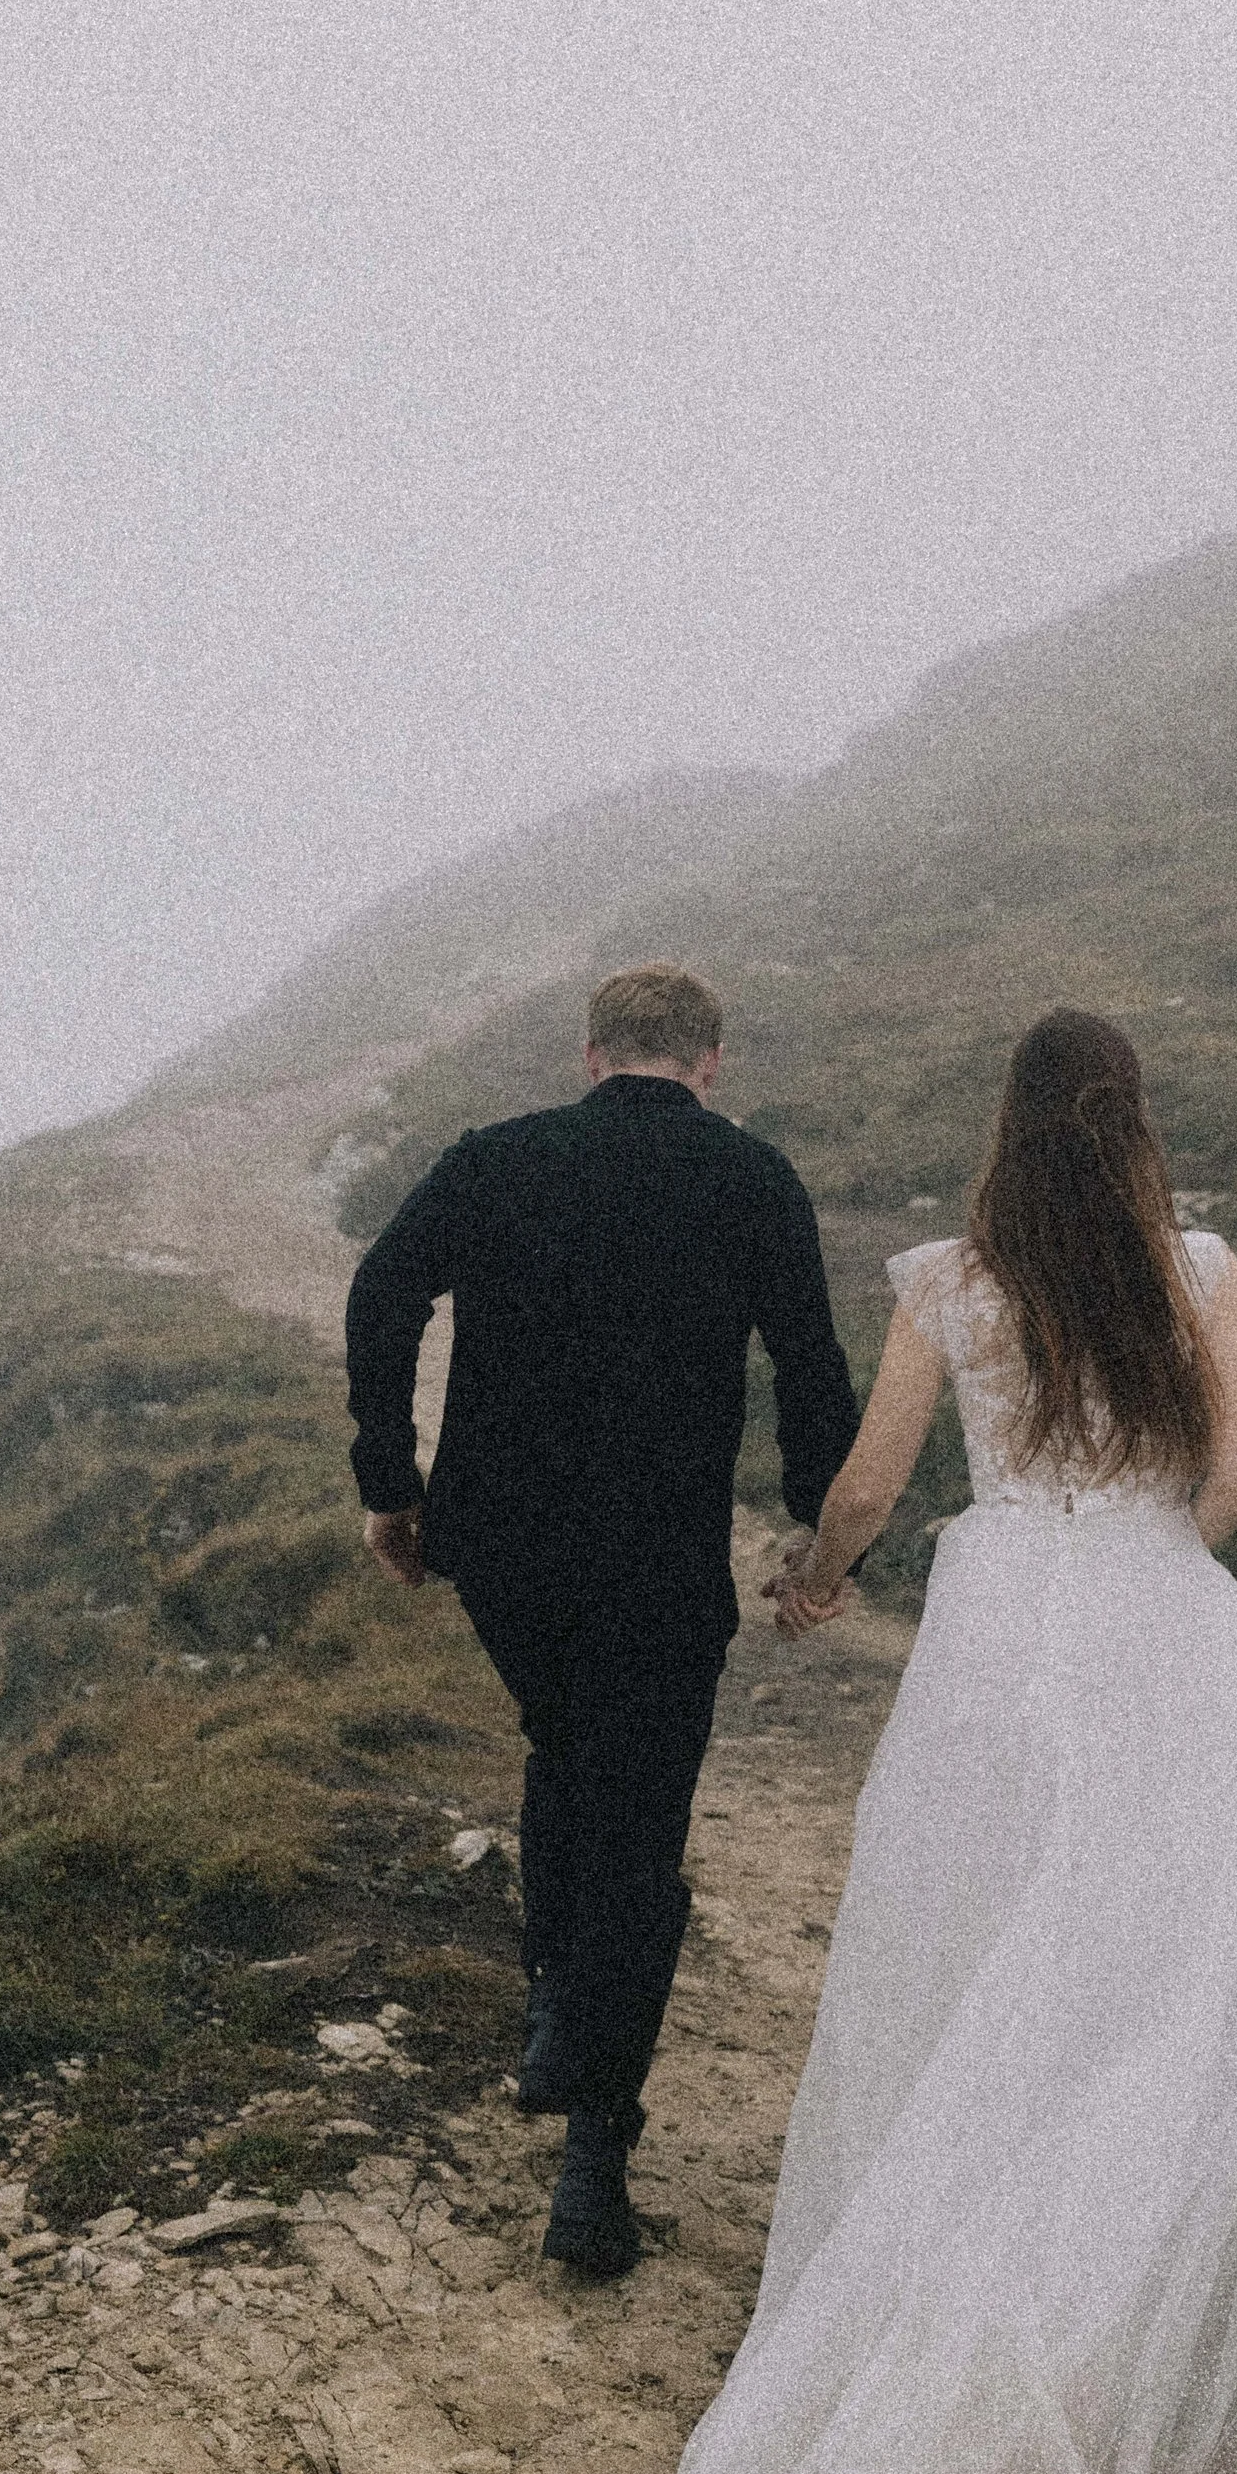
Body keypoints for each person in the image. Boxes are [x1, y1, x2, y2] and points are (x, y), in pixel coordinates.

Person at [649, 1007, 1237, 2474]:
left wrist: (815, 1582)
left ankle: (943, 2250)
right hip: (1160, 1620)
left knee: (975, 1954)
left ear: (1011, 1129)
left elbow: (874, 1486)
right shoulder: (1202, 1270)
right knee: (1164, 1967)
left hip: (1001, 1627)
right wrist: (1144, 1537)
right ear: (1136, 1124)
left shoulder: (952, 1282)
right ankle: (1107, 2277)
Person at [346, 961, 861, 2280]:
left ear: (589, 1056)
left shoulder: (495, 1159)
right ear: (710, 1061)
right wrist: (817, 1532)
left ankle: (553, 2006)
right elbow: (810, 1364)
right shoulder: (752, 1180)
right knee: (637, 1824)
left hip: (504, 1551)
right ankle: (593, 2160)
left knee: (562, 1749)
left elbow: (381, 1293)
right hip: (656, 1560)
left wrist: (389, 1486)